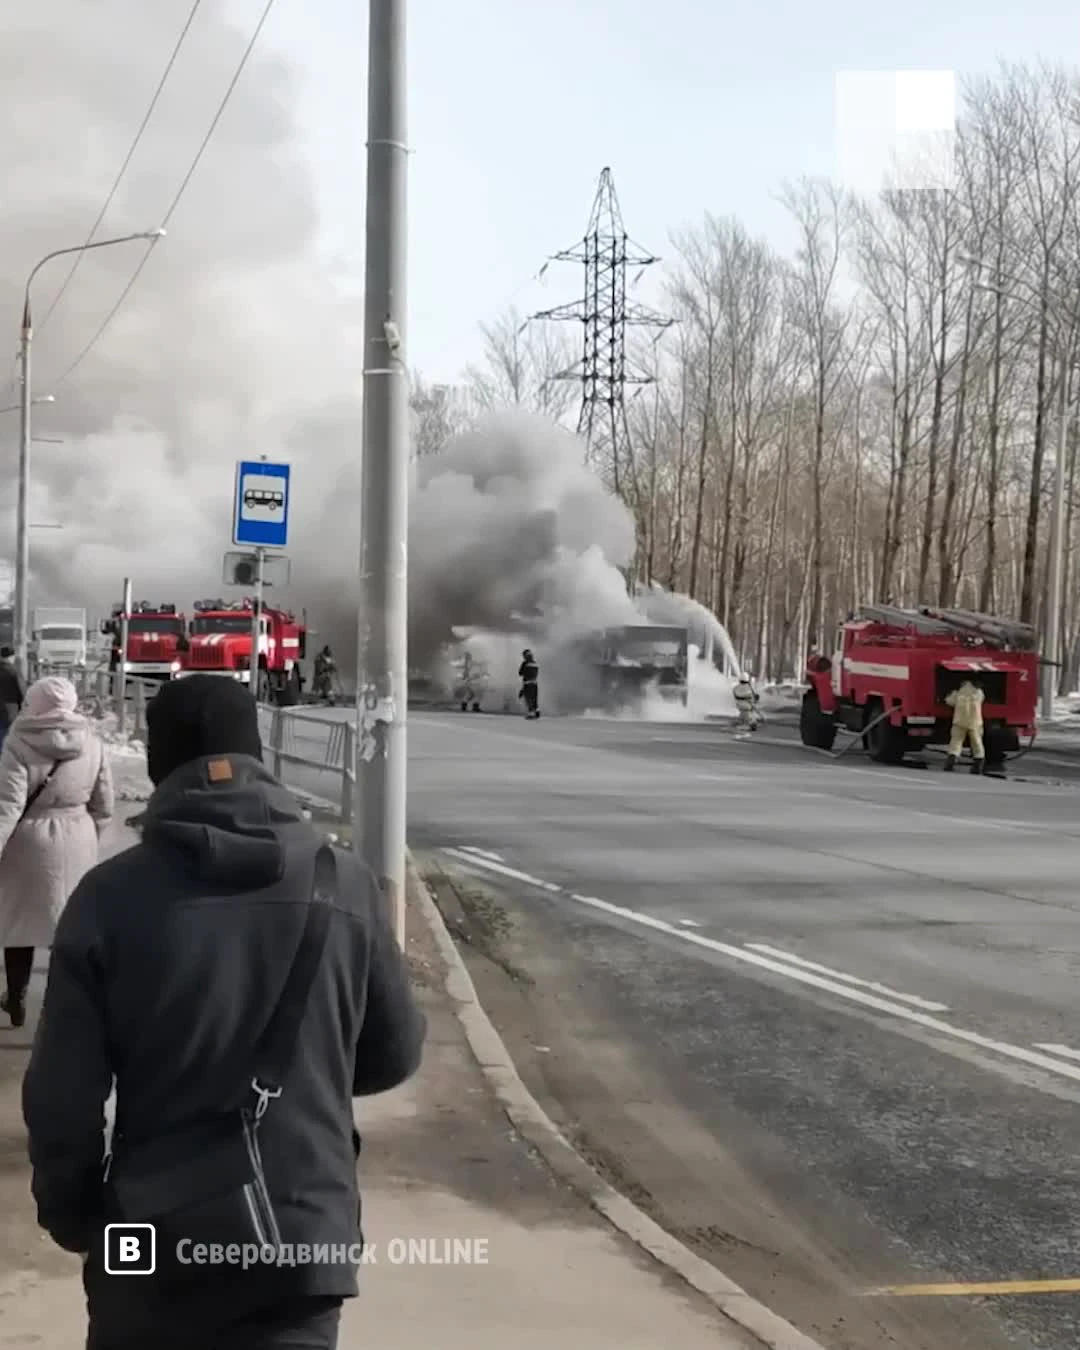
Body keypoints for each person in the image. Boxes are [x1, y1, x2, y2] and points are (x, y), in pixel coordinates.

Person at [22, 674, 426, 1349]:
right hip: (300, 1234)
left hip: (149, 1235)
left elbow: (63, 1093)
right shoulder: (343, 884)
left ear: (157, 765)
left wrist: (76, 1214)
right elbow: (393, 1055)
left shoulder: (109, 897)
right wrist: (309, 1069)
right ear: (258, 754)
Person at [0, 675, 113, 1028]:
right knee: (68, 926)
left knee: (19, 923)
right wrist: (91, 832)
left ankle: (16, 996)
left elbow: (8, 806)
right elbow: (105, 801)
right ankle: (61, 1006)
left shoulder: (19, 742)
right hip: (78, 835)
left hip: (28, 840)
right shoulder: (92, 741)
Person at [944, 678, 985, 774]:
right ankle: (978, 763)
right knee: (977, 742)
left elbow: (949, 701)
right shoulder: (978, 693)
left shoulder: (958, 693)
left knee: (956, 742)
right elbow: (982, 699)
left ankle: (951, 760)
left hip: (959, 721)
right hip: (975, 722)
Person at [0, 645, 24, 751]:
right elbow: (21, 691)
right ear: (12, 657)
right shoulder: (14, 672)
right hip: (11, 706)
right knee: (9, 731)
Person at [733, 671, 761, 735]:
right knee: (750, 718)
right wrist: (755, 700)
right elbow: (755, 697)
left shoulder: (736, 688)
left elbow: (735, 696)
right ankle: (750, 724)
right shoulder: (750, 688)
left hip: (739, 706)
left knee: (743, 716)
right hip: (748, 706)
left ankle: (741, 722)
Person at [518, 648, 539, 719]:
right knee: (534, 698)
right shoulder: (535, 663)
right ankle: (537, 711)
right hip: (535, 683)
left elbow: (520, 673)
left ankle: (531, 714)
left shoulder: (525, 663)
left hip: (527, 683)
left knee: (528, 698)